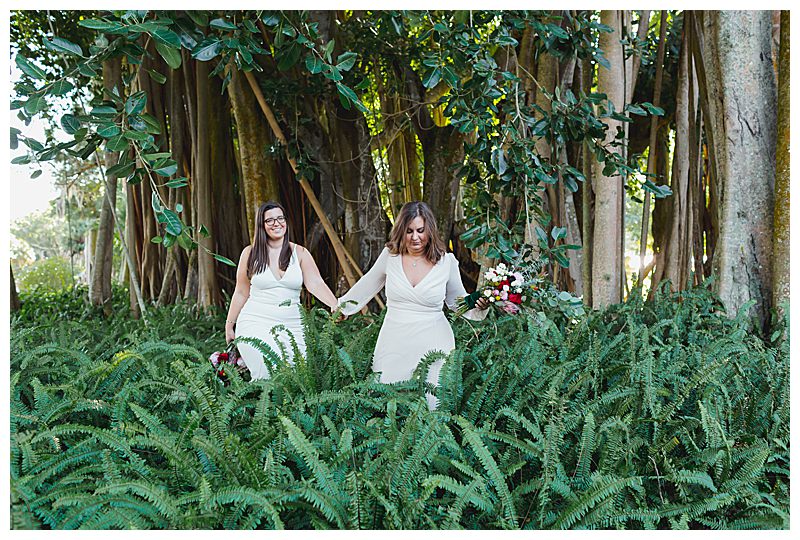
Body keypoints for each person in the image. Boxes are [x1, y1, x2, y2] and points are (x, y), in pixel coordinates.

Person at [337, 201, 490, 409]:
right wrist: (342, 308)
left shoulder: (447, 263)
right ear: (401, 231)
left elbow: (457, 303)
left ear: (430, 230)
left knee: (432, 401)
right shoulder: (390, 257)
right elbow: (366, 285)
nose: (415, 237)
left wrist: (478, 306)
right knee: (386, 400)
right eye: (409, 231)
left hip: (434, 340)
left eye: (420, 230)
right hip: (394, 338)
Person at [225, 201, 338, 379]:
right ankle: (263, 406)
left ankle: (284, 407)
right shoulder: (250, 253)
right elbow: (241, 292)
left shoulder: (300, 253)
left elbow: (315, 283)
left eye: (280, 218)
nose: (276, 223)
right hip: (255, 322)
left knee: (297, 376)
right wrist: (229, 325)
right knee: (265, 369)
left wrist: (335, 305)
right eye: (270, 220)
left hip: (293, 326)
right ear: (261, 225)